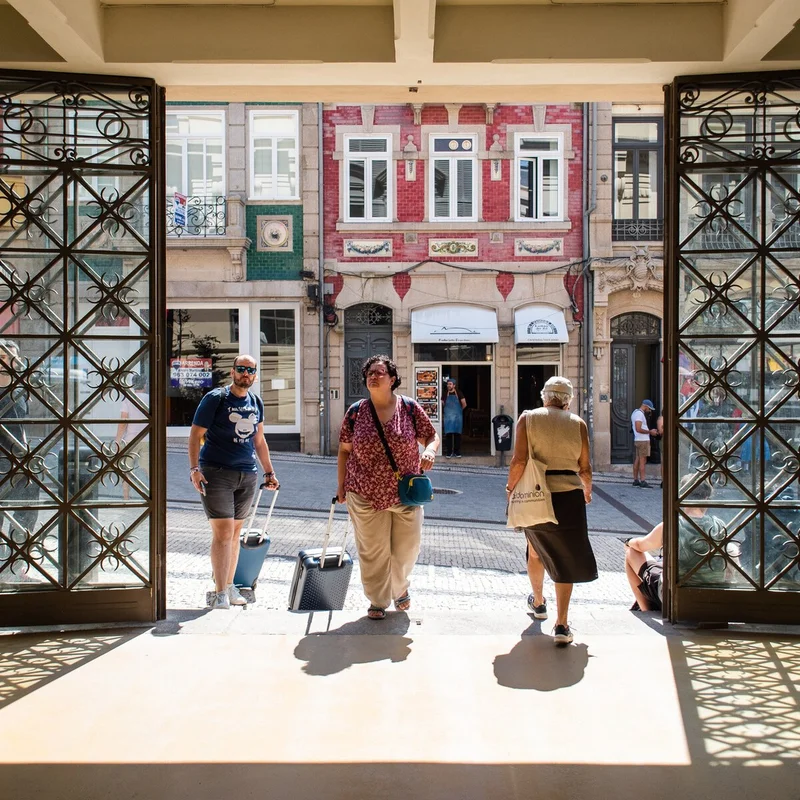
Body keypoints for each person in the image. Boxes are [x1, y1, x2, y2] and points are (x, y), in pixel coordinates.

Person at [337, 355, 439, 620]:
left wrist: (429, 450)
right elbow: (345, 451)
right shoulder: (356, 411)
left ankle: (400, 586)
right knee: (373, 552)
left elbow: (431, 435)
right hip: (364, 493)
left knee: (407, 549)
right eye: (370, 372)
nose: (373, 376)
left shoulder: (408, 408)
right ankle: (378, 600)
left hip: (405, 493)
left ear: (392, 379)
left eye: (380, 372)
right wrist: (341, 487)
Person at [505, 375, 596, 646]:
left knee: (535, 550)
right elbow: (585, 468)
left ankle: (539, 602)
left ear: (544, 396)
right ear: (568, 400)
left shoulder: (528, 418)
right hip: (569, 495)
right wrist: (587, 492)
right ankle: (562, 624)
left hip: (535, 495)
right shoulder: (578, 424)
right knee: (565, 558)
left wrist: (510, 489)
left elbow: (519, 460)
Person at [188, 355, 279, 609]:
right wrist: (194, 469)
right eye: (241, 369)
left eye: (250, 370)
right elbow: (196, 434)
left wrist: (269, 473)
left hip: (247, 474)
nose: (245, 374)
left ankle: (229, 587)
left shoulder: (256, 402)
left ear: (255, 375)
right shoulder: (216, 398)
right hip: (216, 472)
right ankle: (219, 593)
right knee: (224, 532)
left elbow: (259, 441)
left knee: (236, 533)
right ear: (232, 372)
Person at [624, 478, 728, 611]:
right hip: (712, 596)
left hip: (674, 596)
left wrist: (628, 541)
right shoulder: (720, 525)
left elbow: (640, 545)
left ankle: (646, 610)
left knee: (630, 552)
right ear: (706, 498)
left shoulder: (671, 525)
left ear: (682, 496)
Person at [0, 339, 39, 560]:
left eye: (12, 358)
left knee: (27, 508)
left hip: (19, 458)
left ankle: (17, 558)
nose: (7, 362)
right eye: (3, 357)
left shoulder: (20, 389)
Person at [115, 373, 150, 501]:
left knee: (126, 470)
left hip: (130, 440)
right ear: (145, 385)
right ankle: (152, 495)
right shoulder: (150, 399)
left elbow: (123, 422)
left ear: (133, 385)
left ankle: (126, 498)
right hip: (147, 440)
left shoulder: (128, 400)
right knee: (148, 469)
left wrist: (118, 440)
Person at [631, 399, 658, 488]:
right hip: (642, 441)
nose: (649, 411)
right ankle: (643, 481)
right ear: (646, 406)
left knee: (638, 460)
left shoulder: (635, 413)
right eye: (649, 409)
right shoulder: (639, 414)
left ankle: (635, 480)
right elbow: (638, 428)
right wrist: (650, 432)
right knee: (643, 461)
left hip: (638, 440)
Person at [441, 378, 467, 458]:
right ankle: (449, 453)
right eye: (448, 384)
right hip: (448, 418)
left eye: (450, 384)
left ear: (454, 385)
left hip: (457, 417)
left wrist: (458, 411)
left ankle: (457, 452)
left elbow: (464, 404)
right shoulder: (445, 394)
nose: (448, 385)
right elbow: (442, 404)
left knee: (457, 435)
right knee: (448, 435)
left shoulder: (459, 393)